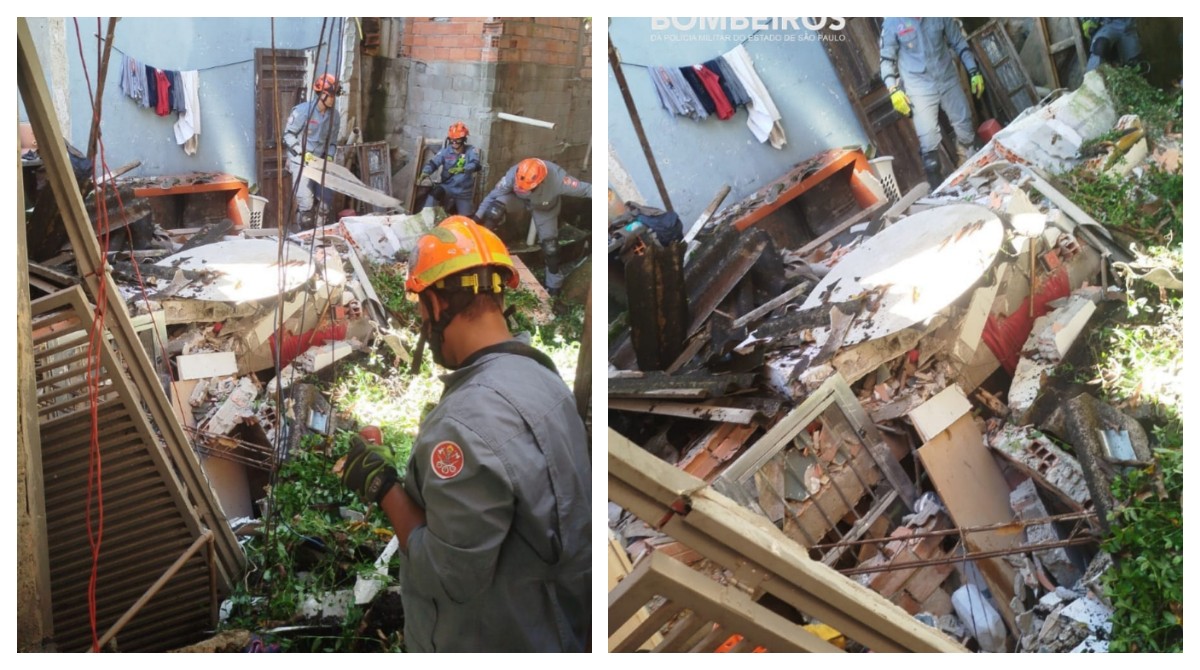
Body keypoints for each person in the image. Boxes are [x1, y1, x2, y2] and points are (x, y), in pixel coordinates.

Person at [339, 216, 591, 652]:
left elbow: (445, 575)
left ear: (437, 306)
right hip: (555, 623)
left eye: (421, 309)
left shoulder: (463, 425)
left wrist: (382, 487)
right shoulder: (542, 377)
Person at [879, 18, 985, 188]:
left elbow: (958, 41)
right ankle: (939, 195)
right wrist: (893, 89)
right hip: (918, 86)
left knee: (966, 129)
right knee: (929, 148)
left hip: (947, 78)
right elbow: (886, 59)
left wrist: (973, 70)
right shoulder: (893, 21)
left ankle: (973, 178)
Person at [475, 158, 591, 297]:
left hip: (544, 208)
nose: (523, 189)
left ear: (540, 182)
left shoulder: (559, 180)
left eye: (527, 188)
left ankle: (553, 286)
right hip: (518, 200)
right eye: (520, 186)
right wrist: (476, 219)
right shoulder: (513, 175)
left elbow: (586, 190)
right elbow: (492, 196)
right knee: (494, 210)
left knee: (551, 248)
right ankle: (480, 254)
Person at [283, 73, 341, 230]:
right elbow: (288, 135)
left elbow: (332, 141)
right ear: (322, 94)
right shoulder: (303, 111)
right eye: (331, 95)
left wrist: (329, 155)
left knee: (325, 203)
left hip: (319, 162)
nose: (334, 99)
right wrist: (301, 152)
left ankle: (319, 237)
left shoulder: (334, 116)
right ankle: (305, 238)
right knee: (306, 206)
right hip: (300, 161)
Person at [419, 122, 481, 216]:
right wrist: (425, 172)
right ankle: (425, 218)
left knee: (466, 219)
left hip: (463, 191)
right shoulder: (446, 151)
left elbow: (475, 164)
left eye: (457, 140)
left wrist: (464, 169)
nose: (454, 143)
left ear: (463, 139)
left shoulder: (470, 150)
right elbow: (434, 162)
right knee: (435, 193)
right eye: (452, 140)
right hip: (448, 187)